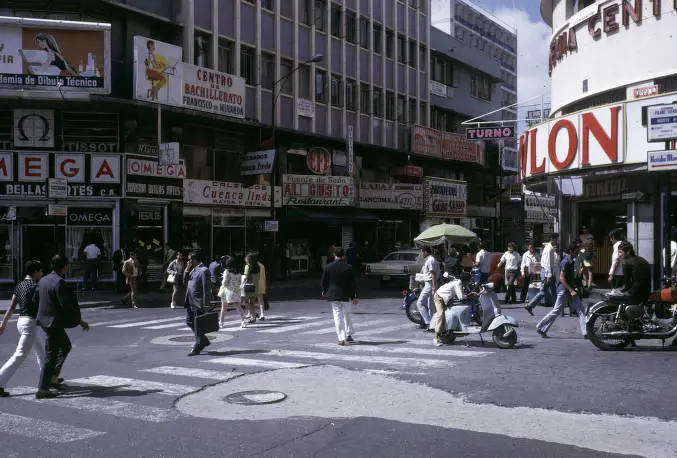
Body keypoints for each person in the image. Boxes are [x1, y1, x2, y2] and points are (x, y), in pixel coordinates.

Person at [34, 255, 89, 399]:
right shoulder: (59, 282)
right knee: (51, 354)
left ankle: (53, 377)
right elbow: (66, 306)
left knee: (65, 346)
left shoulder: (43, 280)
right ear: (64, 267)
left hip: (45, 321)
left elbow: (36, 299)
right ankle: (43, 388)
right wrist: (78, 320)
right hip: (54, 323)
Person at [0, 261, 45, 397]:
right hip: (30, 323)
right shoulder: (36, 286)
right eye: (41, 272)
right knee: (19, 355)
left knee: (41, 352)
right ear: (36, 272)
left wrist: (3, 324)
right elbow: (40, 307)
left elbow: (12, 307)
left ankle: (47, 379)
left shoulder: (19, 285)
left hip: (21, 321)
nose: (42, 274)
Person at [536, 243, 587, 339]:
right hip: (564, 290)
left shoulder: (572, 261)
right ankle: (540, 326)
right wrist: (571, 290)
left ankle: (586, 332)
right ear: (571, 251)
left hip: (570, 290)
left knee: (580, 309)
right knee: (556, 310)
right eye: (577, 250)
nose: (578, 252)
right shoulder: (566, 261)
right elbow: (562, 279)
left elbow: (573, 277)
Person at [321, 247, 358, 346]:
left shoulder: (328, 267)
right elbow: (352, 284)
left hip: (333, 294)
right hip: (346, 294)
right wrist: (355, 296)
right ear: (344, 256)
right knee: (347, 315)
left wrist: (324, 291)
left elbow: (324, 281)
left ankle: (341, 338)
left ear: (334, 255)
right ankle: (349, 335)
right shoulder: (348, 267)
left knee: (337, 316)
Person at [432, 272, 473, 346]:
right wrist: (471, 294)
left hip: (445, 299)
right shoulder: (457, 284)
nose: (469, 282)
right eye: (468, 281)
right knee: (440, 315)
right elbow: (461, 297)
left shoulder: (459, 282)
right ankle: (436, 338)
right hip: (439, 297)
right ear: (465, 280)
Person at [184, 251, 212, 356]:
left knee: (197, 325)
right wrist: (186, 270)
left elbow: (207, 289)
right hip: (189, 301)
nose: (188, 261)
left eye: (189, 259)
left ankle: (198, 346)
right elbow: (184, 281)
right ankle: (203, 340)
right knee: (189, 321)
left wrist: (206, 304)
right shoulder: (192, 270)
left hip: (198, 302)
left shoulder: (204, 270)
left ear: (194, 260)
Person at [525, 234, 559, 315]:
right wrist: (549, 275)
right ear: (552, 239)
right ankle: (530, 305)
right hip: (546, 271)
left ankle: (556, 307)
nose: (557, 241)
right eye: (556, 239)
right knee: (543, 291)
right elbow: (547, 263)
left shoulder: (548, 247)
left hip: (547, 271)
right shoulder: (549, 248)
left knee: (553, 289)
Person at [416, 246, 438, 331]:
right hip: (429, 283)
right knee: (431, 305)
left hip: (430, 284)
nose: (421, 254)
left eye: (422, 252)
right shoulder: (429, 260)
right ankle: (433, 325)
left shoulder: (430, 260)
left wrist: (433, 287)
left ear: (425, 252)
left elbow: (433, 274)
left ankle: (428, 322)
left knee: (420, 303)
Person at [217, 256, 243, 328]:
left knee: (223, 308)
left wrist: (223, 279)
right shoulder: (238, 273)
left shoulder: (227, 272)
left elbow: (225, 283)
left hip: (226, 291)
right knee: (238, 307)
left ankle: (221, 322)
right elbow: (240, 282)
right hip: (235, 291)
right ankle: (243, 321)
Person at [241, 253, 260, 327]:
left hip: (248, 286)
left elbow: (245, 277)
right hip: (256, 286)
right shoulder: (258, 267)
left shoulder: (247, 266)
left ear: (248, 260)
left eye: (246, 258)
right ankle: (253, 316)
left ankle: (253, 315)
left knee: (245, 302)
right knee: (252, 302)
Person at [579, 224, 595, 289]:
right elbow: (579, 245)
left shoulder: (591, 236)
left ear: (588, 229)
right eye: (583, 228)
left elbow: (593, 244)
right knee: (583, 269)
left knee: (590, 269)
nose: (584, 229)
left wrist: (594, 252)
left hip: (589, 252)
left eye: (585, 228)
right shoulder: (580, 236)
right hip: (582, 253)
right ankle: (586, 282)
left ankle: (589, 284)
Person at [257, 255, 268, 320]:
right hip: (261, 284)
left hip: (252, 285)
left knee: (250, 301)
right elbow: (264, 277)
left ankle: (251, 313)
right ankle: (262, 314)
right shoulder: (262, 266)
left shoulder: (251, 266)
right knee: (261, 300)